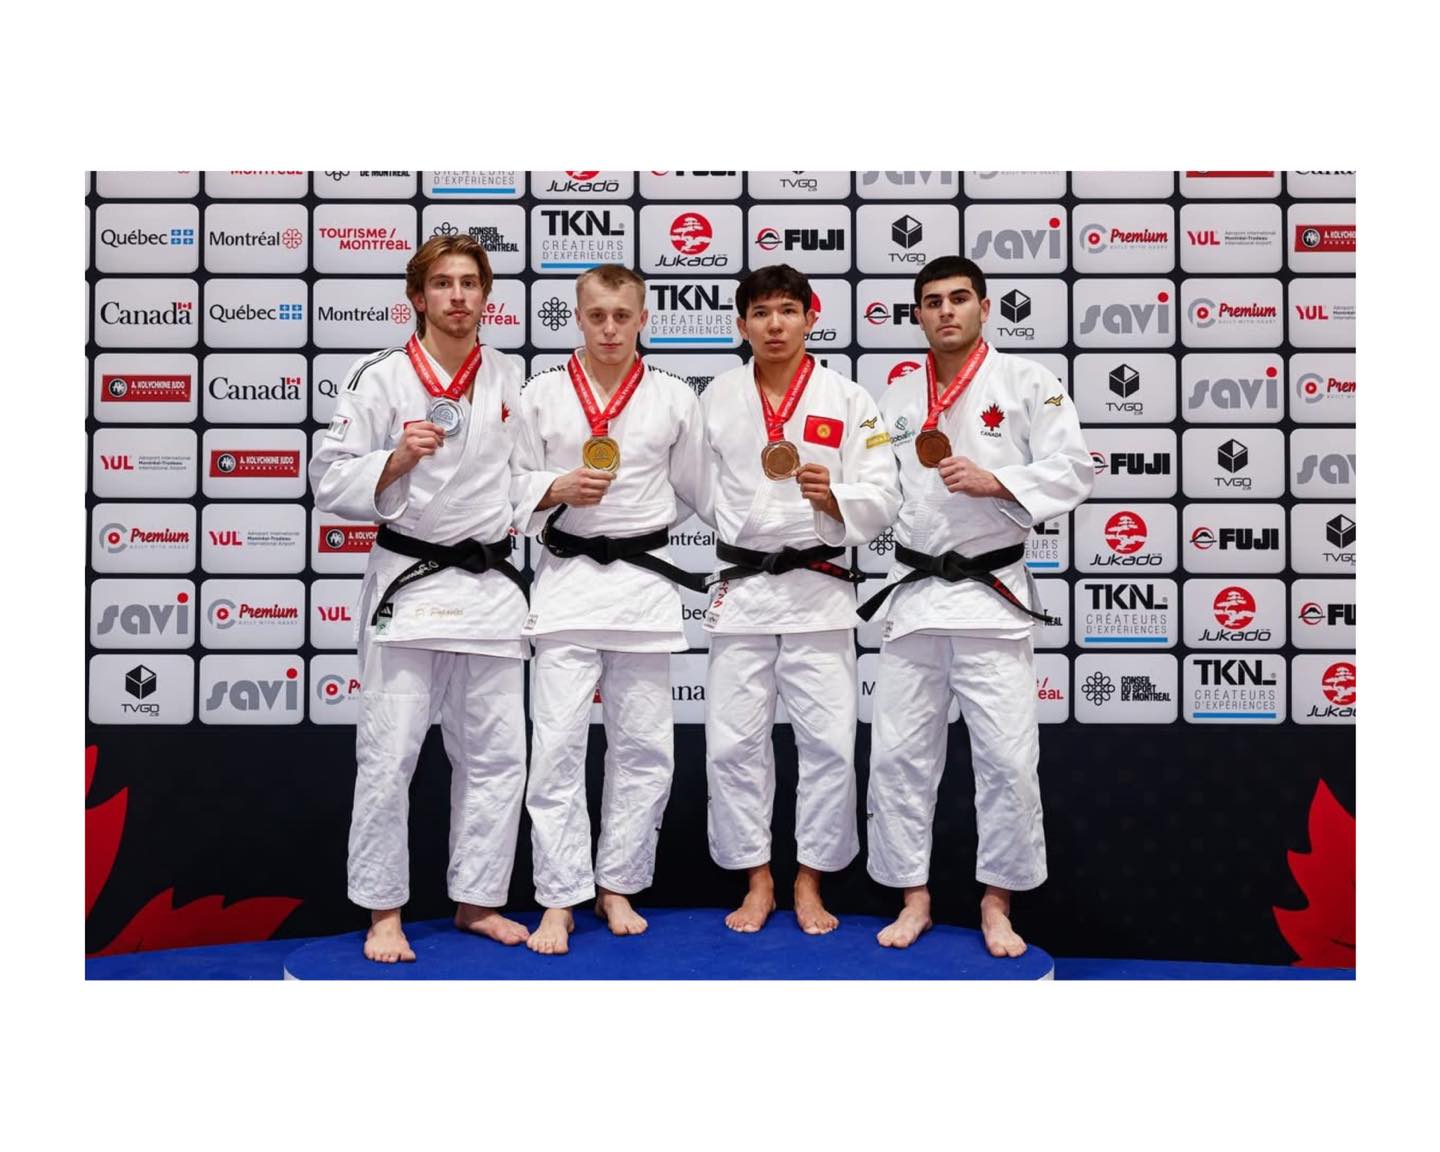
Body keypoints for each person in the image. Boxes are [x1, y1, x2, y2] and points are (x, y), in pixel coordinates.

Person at [860, 255, 1093, 956]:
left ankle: (997, 903)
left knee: (1007, 763)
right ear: (918, 314)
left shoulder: (1028, 382)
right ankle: (914, 897)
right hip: (917, 597)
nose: (946, 311)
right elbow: (879, 487)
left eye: (959, 299)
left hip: (992, 600)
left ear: (984, 308)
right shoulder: (898, 392)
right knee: (898, 758)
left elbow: (1075, 469)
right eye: (932, 301)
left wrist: (999, 481)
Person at [310, 235, 531, 963]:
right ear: (418, 296)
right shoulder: (378, 377)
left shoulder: (509, 375)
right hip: (409, 589)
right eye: (443, 283)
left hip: (489, 591)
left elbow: (522, 478)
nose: (458, 296)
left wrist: (553, 494)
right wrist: (396, 458)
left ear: (486, 296)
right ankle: (384, 913)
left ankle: (478, 901)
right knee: (388, 757)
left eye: (470, 282)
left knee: (497, 757)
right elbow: (328, 480)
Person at [510, 263, 708, 956]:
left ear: (643, 318)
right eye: (597, 315)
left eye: (623, 316)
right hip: (566, 586)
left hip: (643, 590)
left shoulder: (675, 397)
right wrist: (554, 489)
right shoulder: (540, 394)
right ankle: (559, 898)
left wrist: (638, 529)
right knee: (556, 749)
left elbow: (698, 490)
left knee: (645, 750)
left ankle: (618, 884)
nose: (610, 329)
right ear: (578, 316)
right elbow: (510, 483)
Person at [700, 264, 900, 934]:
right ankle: (757, 879)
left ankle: (810, 879)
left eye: (788, 310)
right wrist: (744, 526)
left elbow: (884, 492)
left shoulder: (848, 398)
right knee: (733, 745)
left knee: (830, 747)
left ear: (811, 318)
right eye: (760, 313)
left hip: (819, 593)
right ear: (742, 325)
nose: (775, 325)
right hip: (745, 591)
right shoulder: (717, 397)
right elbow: (695, 485)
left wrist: (835, 498)